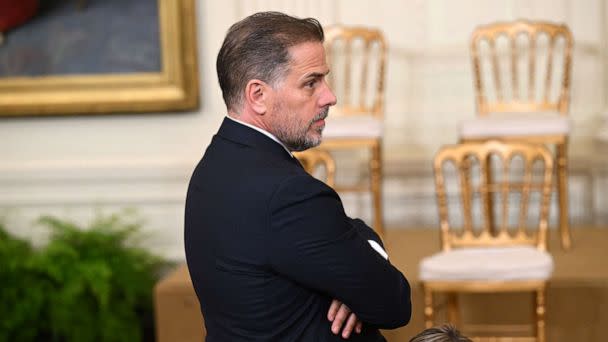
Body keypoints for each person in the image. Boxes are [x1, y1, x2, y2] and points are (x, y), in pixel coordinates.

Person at [184, 11, 411, 341]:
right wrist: (361, 249)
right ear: (258, 96)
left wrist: (352, 279)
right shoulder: (289, 194)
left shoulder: (212, 166)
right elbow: (393, 303)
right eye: (311, 83)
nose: (329, 96)